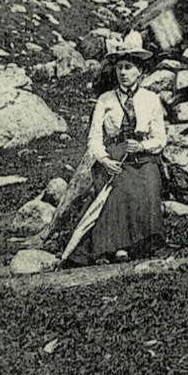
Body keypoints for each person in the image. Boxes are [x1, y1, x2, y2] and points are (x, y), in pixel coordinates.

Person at [69, 31, 167, 265]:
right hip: (114, 156)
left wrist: (142, 145)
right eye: (120, 67)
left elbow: (160, 138)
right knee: (118, 186)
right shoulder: (105, 100)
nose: (123, 73)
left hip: (143, 157)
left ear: (140, 71)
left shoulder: (151, 98)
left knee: (149, 183)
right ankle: (116, 247)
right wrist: (104, 159)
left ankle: (142, 243)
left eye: (128, 68)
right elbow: (94, 138)